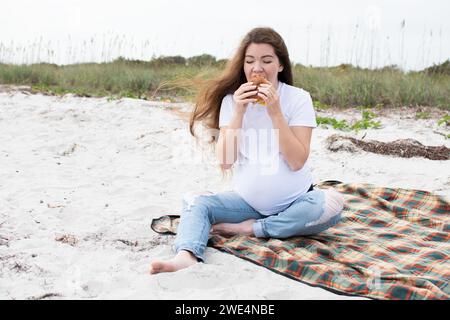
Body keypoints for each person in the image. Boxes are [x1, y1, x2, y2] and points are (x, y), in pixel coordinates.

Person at [149, 27, 344, 274]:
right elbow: (225, 161)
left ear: (281, 65)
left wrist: (275, 111)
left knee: (332, 205)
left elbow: (296, 161)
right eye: (250, 61)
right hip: (247, 204)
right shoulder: (232, 101)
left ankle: (247, 228)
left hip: (295, 201)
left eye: (266, 60)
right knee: (194, 200)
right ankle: (187, 254)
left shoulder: (298, 98)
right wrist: (239, 112)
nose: (257, 68)